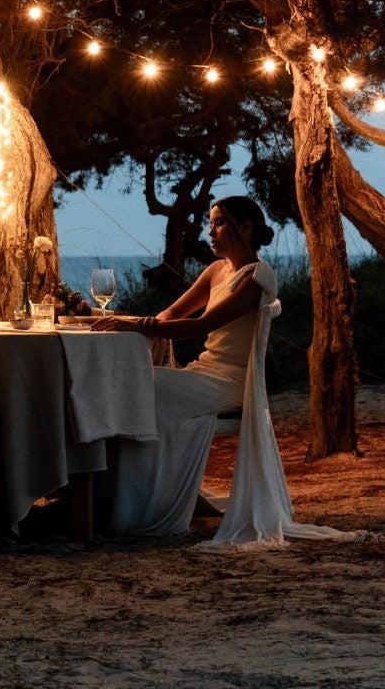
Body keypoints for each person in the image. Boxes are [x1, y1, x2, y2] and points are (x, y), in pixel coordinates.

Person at [92, 195, 278, 536]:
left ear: (246, 226)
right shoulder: (216, 271)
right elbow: (175, 314)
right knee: (133, 386)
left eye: (219, 223)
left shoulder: (256, 280)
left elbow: (199, 326)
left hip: (231, 380)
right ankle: (111, 497)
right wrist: (145, 323)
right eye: (211, 223)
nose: (211, 231)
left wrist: (139, 326)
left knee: (144, 389)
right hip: (203, 370)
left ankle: (145, 506)